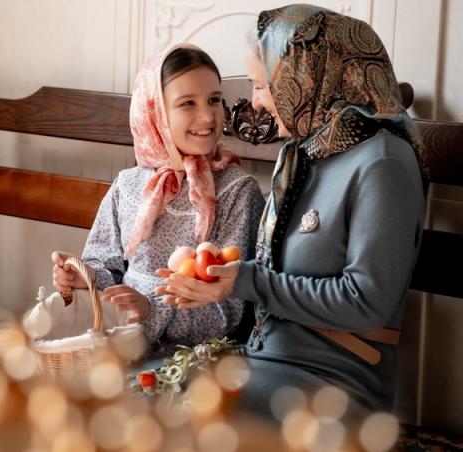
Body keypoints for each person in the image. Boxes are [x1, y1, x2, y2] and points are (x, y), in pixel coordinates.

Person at [156, 4, 428, 417]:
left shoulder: (383, 163)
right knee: (142, 398)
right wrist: (223, 279)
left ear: (310, 76)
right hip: (265, 364)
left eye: (263, 86)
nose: (257, 103)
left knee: (186, 418)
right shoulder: (304, 153)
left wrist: (245, 281)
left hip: (335, 385)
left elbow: (366, 302)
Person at [51, 43, 265, 357]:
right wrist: (84, 277)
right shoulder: (129, 184)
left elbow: (231, 313)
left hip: (198, 359)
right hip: (120, 344)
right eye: (187, 103)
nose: (207, 116)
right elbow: (106, 266)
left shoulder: (238, 192)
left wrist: (150, 309)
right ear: (155, 112)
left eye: (214, 100)